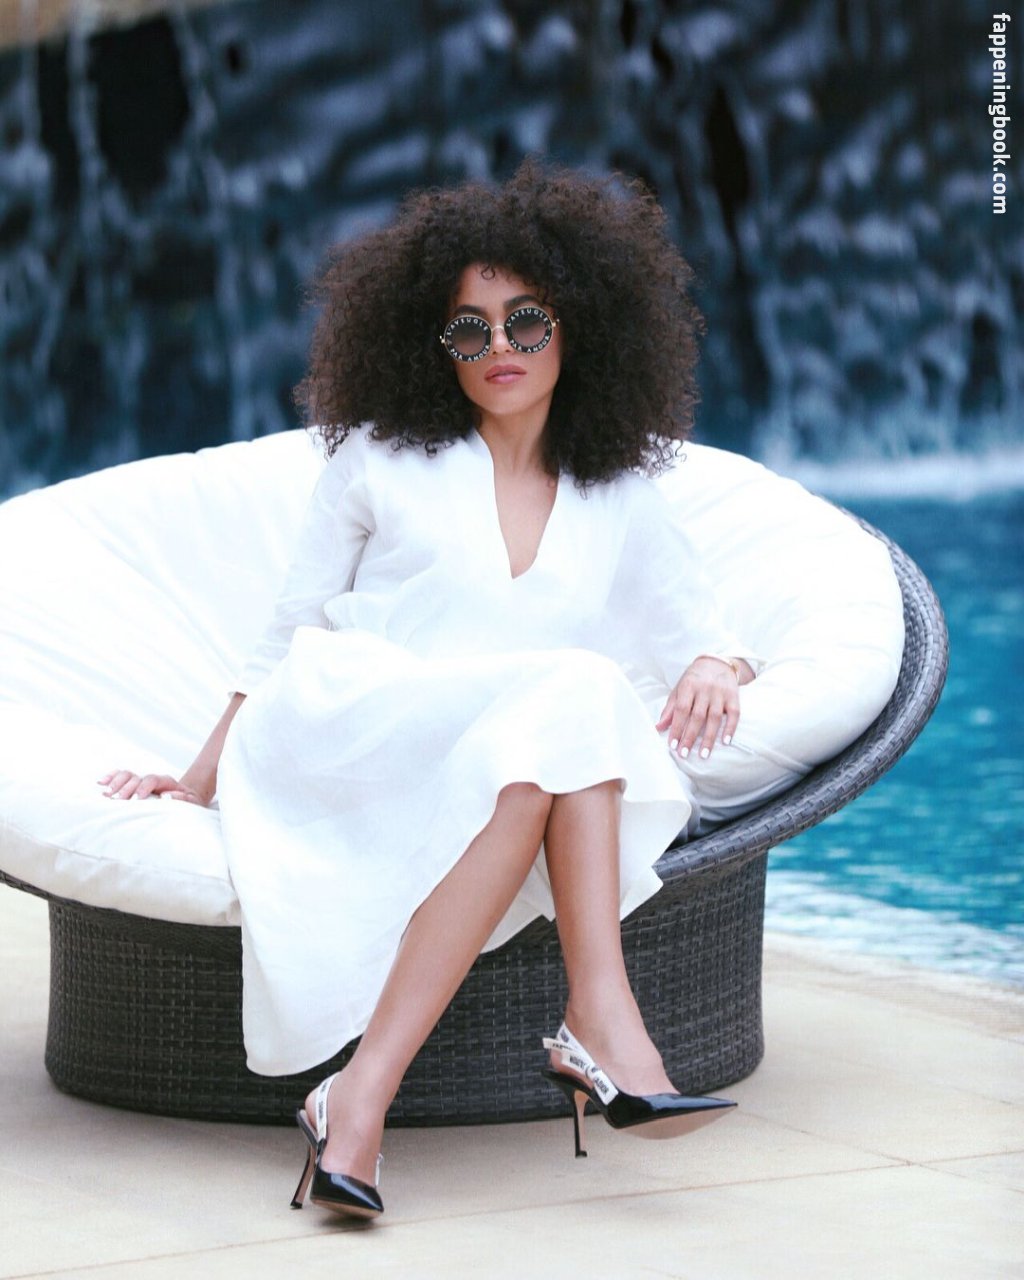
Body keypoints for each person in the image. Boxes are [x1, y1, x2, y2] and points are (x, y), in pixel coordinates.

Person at [98, 160, 767, 1221]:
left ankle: (358, 1100)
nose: (500, 346)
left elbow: (712, 638)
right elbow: (285, 636)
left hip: (495, 755)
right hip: (345, 726)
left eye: (526, 320)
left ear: (580, 326)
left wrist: (714, 665)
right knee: (574, 697)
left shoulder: (618, 492)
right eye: (469, 329)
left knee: (539, 749)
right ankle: (600, 1021)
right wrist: (195, 779)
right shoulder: (380, 458)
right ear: (434, 345)